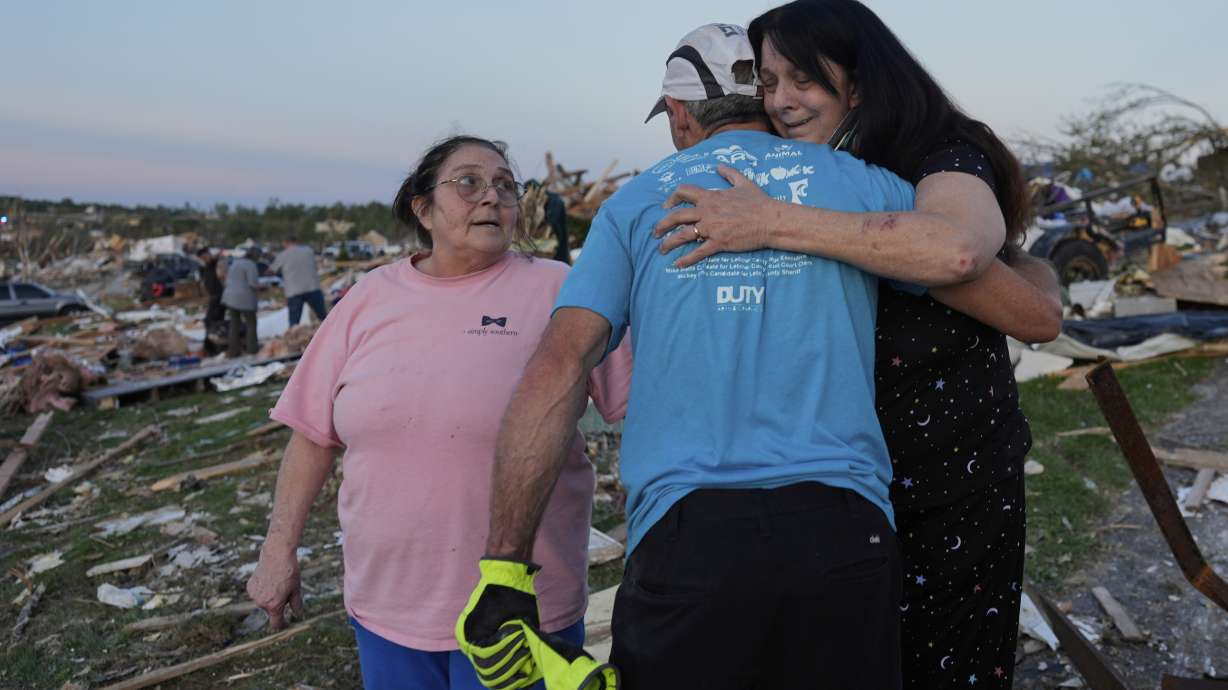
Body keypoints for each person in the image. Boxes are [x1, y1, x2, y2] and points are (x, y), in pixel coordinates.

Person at [459, 24, 931, 690]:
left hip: (689, 538)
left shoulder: (633, 205)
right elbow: (963, 265)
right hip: (843, 529)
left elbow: (559, 367)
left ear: (680, 114)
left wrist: (506, 568)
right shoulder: (865, 185)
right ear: (764, 99)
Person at [650, 3, 1063, 687]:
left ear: (861, 82)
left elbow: (961, 254)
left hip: (946, 482)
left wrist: (773, 222)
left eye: (802, 80)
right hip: (829, 495)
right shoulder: (820, 169)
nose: (781, 102)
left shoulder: (939, 153)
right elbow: (1027, 285)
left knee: (938, 667)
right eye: (769, 82)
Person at [246, 135, 631, 690]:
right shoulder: (368, 299)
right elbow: (311, 435)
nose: (492, 197)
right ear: (422, 208)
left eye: (505, 185)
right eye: (469, 181)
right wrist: (277, 551)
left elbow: (638, 411)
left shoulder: (560, 289)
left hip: (522, 611)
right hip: (387, 606)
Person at [270, 236, 327, 326]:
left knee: (294, 322)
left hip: (294, 290)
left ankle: (293, 336)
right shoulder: (308, 251)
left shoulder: (283, 255)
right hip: (312, 287)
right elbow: (316, 266)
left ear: (285, 242)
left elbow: (272, 270)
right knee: (324, 318)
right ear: (296, 241)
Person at [221, 248, 262, 357]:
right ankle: (252, 349)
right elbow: (253, 283)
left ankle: (233, 351)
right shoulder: (251, 264)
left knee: (234, 324)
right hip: (244, 298)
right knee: (251, 323)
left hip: (229, 297)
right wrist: (263, 287)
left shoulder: (235, 263)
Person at [196, 248, 225, 336]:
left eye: (205, 256)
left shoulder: (214, 263)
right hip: (213, 296)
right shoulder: (203, 267)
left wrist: (214, 255)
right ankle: (215, 337)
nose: (204, 259)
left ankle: (216, 337)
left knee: (212, 319)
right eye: (202, 258)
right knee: (214, 320)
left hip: (219, 296)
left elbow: (218, 256)